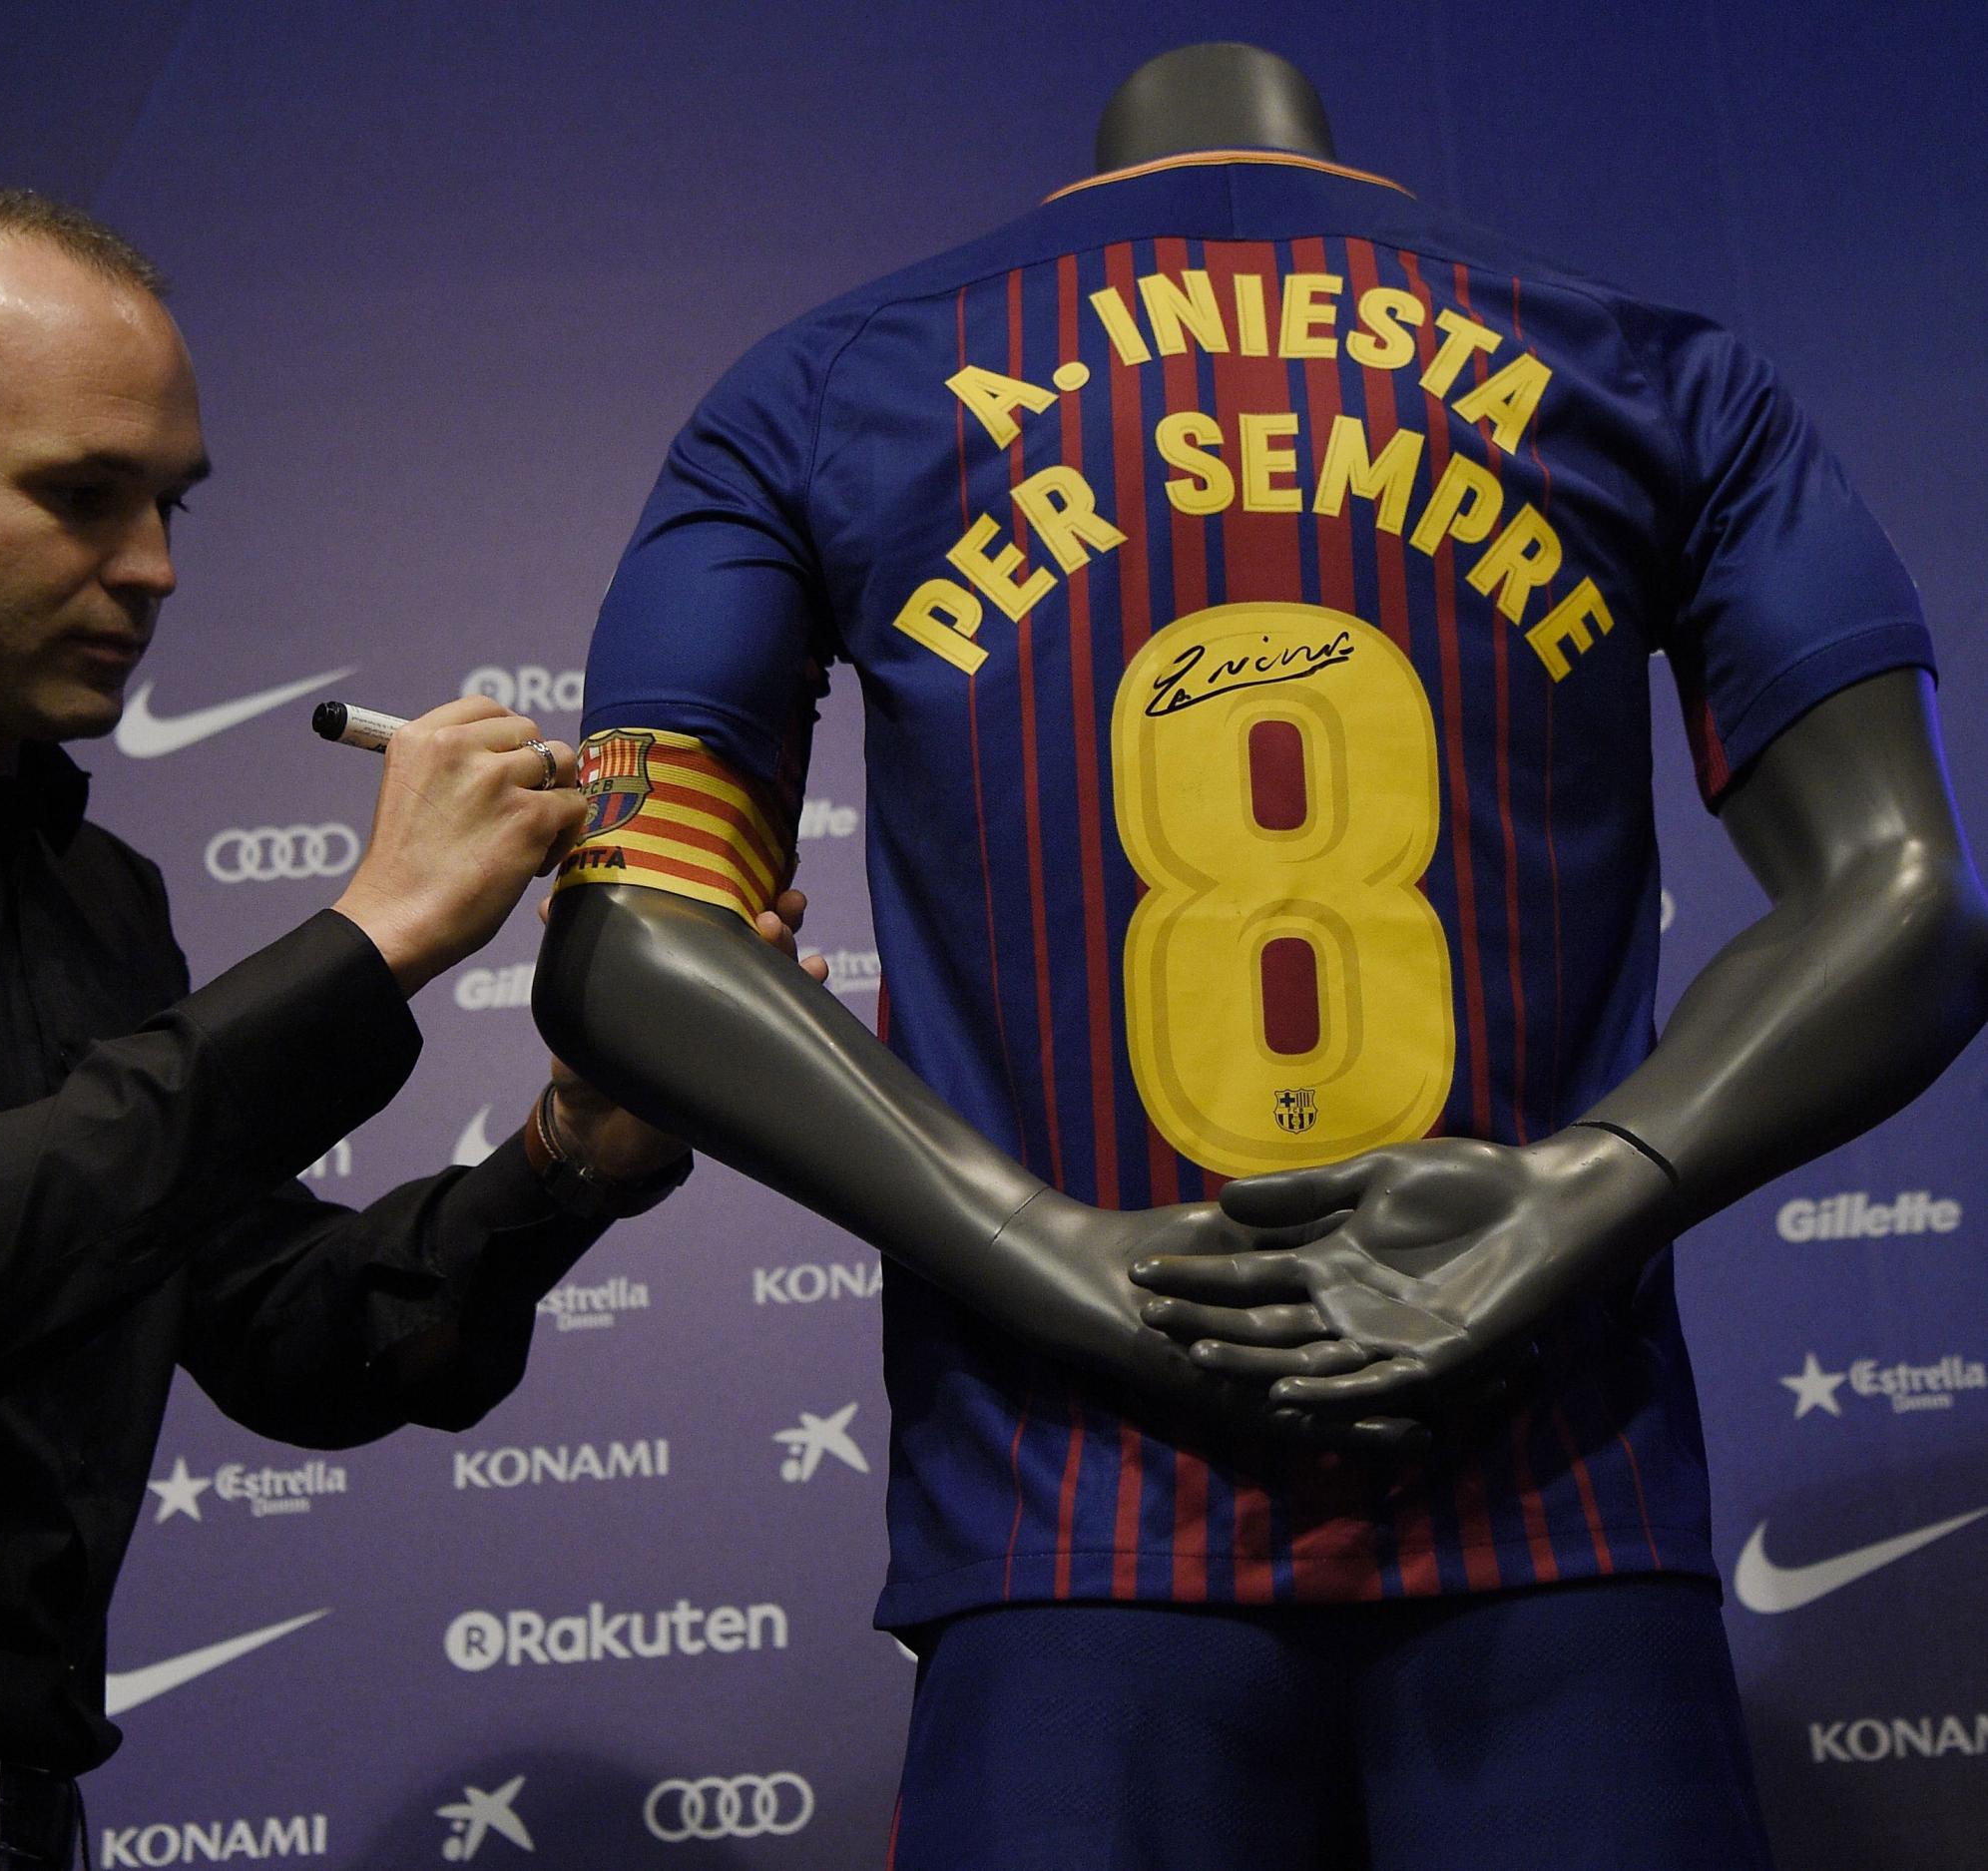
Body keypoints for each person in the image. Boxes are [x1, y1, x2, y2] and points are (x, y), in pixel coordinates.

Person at [532, 42, 1988, 1871]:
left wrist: (1058, 1254)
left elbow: (626, 935)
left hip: (1070, 1524)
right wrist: (1575, 1203)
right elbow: (1911, 898)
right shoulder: (1652, 370)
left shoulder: (828, 389)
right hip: (1556, 1498)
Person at [0, 183, 809, 1870]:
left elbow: (293, 1337)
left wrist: (571, 1155)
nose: (153, 571)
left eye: (170, 505)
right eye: (80, 497)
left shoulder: (89, 894)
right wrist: (382, 934)